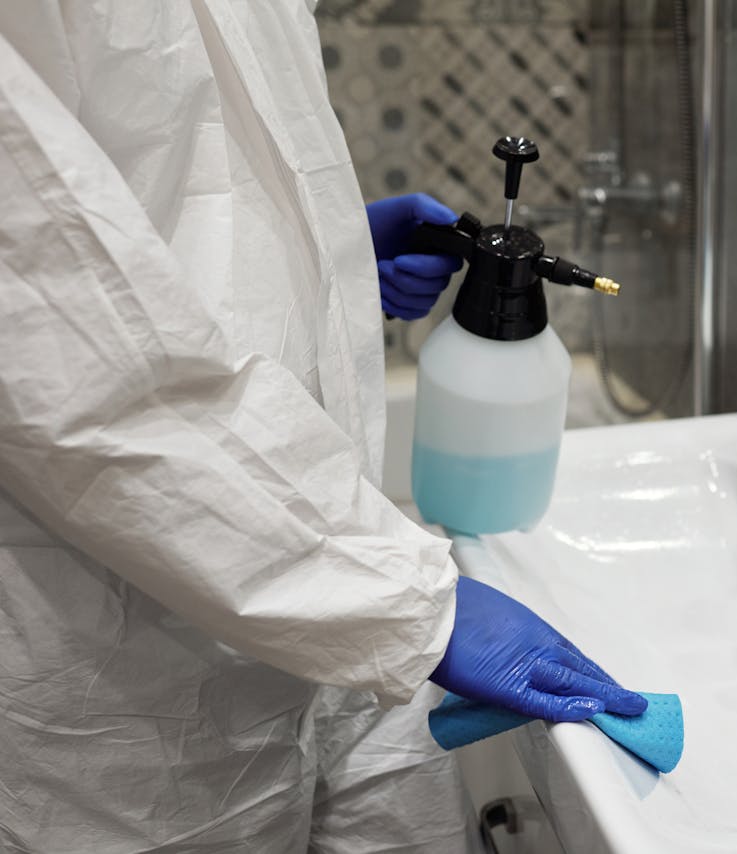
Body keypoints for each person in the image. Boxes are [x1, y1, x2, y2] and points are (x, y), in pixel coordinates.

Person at [0, 3, 644, 852]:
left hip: (316, 576)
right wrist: (416, 610)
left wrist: (320, 260)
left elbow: (173, 175)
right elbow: (63, 343)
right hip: (123, 669)